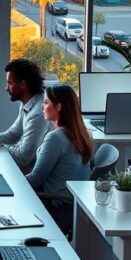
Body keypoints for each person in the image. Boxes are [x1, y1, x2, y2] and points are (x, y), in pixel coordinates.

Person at [24, 84, 93, 235]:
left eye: (46, 102)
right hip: (73, 204)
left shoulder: (56, 138)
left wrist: (10, 182)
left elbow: (36, 178)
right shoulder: (82, 133)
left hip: (58, 206)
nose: (42, 107)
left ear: (59, 106)